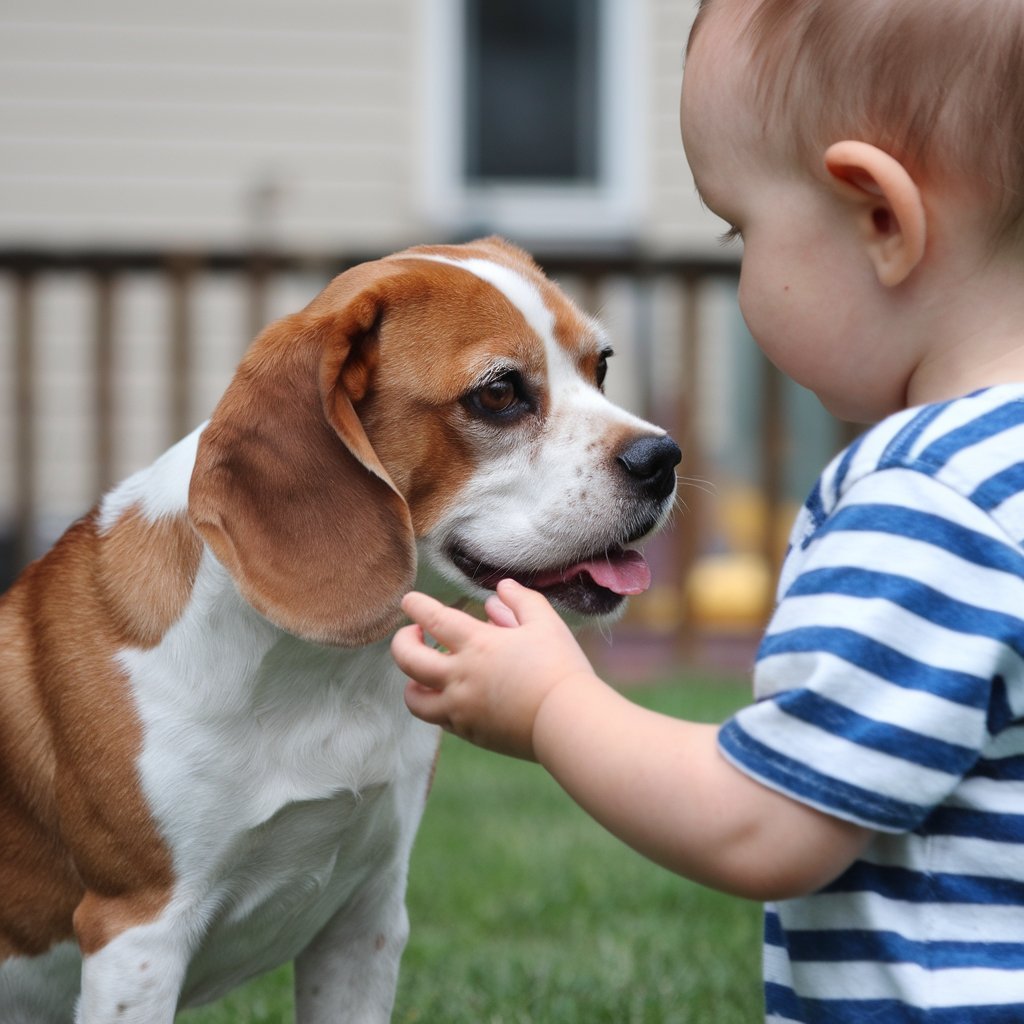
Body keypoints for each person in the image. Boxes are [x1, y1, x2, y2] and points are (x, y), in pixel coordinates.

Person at [391, 0, 1024, 1019]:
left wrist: (553, 705)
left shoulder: (933, 500)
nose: (738, 269)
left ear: (879, 219)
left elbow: (765, 821)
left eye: (740, 226)